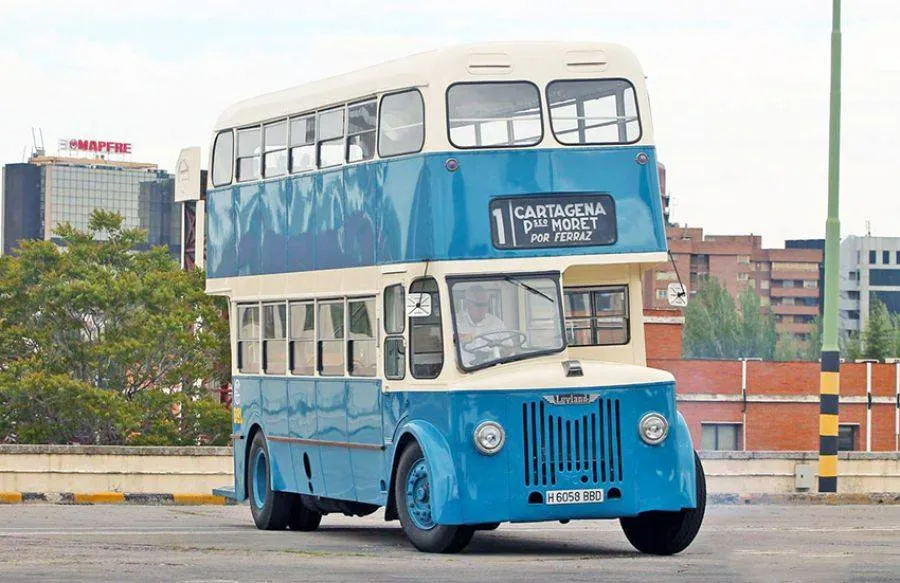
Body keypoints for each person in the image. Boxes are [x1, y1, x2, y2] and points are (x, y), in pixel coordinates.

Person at [457, 285, 507, 366]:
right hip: (463, 370)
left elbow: (508, 347)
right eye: (479, 305)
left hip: (491, 368)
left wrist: (501, 350)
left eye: (486, 304)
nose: (483, 309)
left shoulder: (496, 323)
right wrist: (459, 338)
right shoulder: (456, 321)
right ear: (468, 303)